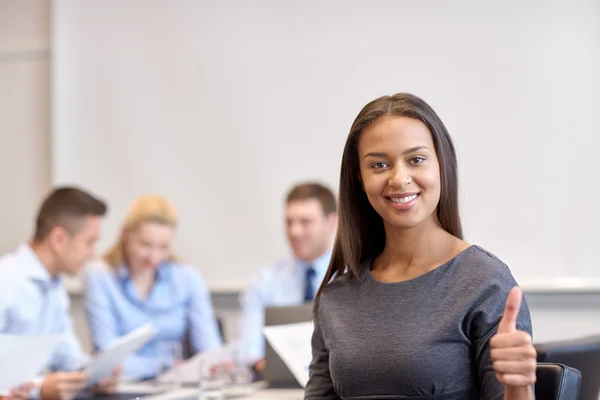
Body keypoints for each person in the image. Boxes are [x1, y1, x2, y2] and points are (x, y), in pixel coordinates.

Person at [304, 93, 537, 400]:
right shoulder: (337, 296)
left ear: (442, 165)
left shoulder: (485, 282)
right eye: (379, 164)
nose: (399, 179)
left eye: (416, 159)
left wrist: (518, 386)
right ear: (359, 179)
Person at [84, 195, 223, 381]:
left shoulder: (187, 278)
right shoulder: (100, 276)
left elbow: (210, 351)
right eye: (145, 245)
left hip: (175, 385)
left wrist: (214, 366)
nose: (154, 257)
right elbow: (108, 359)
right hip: (121, 387)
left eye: (164, 247)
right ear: (125, 234)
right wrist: (165, 365)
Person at [0, 186, 121, 400]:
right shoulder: (6, 282)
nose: (93, 254)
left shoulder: (54, 287)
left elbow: (66, 354)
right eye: (89, 242)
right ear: (58, 240)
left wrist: (95, 375)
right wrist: (40, 388)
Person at [237, 182, 337, 376]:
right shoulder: (265, 281)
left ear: (332, 222)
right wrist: (278, 370)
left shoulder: (352, 277)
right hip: (279, 388)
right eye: (289, 222)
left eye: (305, 222)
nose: (294, 232)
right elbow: (249, 351)